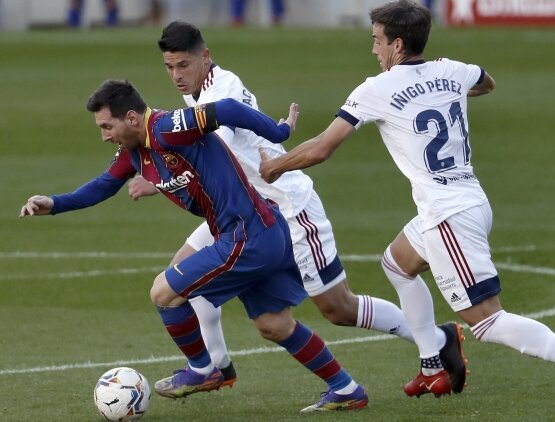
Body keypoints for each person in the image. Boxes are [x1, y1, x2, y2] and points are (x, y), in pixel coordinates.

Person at [258, 0, 555, 414]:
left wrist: (274, 167)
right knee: (398, 263)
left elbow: (322, 147)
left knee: (487, 321)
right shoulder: (453, 70)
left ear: (397, 44)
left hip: (448, 217)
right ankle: (432, 364)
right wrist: (445, 92)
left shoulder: (377, 89)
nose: (374, 49)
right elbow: (486, 83)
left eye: (377, 40)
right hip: (467, 200)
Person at [125, 20, 467, 404]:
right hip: (243, 211)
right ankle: (215, 366)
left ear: (205, 57)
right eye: (169, 67)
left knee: (339, 308)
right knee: (178, 282)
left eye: (183, 65)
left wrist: (161, 180)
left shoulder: (223, 90)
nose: (176, 75)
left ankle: (436, 339)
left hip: (289, 209)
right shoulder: (199, 91)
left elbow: (214, 147)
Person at [19, 79, 369, 413]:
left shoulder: (166, 127)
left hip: (247, 236)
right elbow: (102, 185)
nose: (104, 136)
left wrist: (279, 134)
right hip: (261, 231)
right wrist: (55, 203)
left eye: (107, 126)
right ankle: (346, 389)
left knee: (163, 292)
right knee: (273, 325)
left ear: (131, 118)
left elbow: (227, 108)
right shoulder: (134, 152)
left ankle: (204, 369)